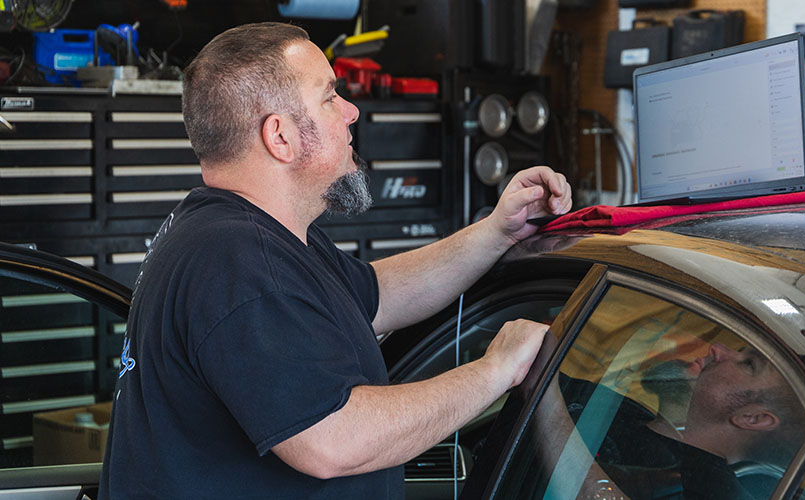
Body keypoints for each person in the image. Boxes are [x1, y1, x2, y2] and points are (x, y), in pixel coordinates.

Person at [98, 22, 571, 499]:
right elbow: (332, 441)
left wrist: (495, 233)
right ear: (279, 136)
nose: (351, 111)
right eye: (329, 97)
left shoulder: (251, 235)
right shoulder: (237, 261)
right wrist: (496, 371)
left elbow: (379, 293)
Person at [535, 344, 805, 500]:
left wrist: (542, 392)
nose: (718, 349)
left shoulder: (710, 492)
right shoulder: (621, 407)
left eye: (748, 364)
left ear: (752, 418)